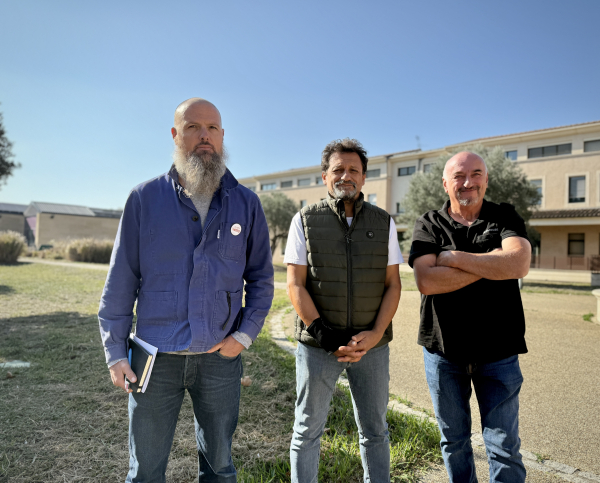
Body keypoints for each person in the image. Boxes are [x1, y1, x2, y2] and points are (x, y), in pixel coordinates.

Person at [98, 98, 274, 482]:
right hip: (154, 358)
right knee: (145, 472)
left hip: (219, 360)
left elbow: (262, 278)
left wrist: (243, 336)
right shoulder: (144, 199)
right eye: (193, 127)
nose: (204, 136)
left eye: (212, 128)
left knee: (220, 468)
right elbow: (121, 281)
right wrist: (115, 352)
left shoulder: (246, 204)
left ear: (222, 136)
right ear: (176, 135)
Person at [409, 151, 531, 482]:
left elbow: (519, 264)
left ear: (486, 180)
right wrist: (493, 262)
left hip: (499, 351)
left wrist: (452, 258)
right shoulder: (428, 223)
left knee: (504, 447)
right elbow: (427, 281)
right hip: (443, 352)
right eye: (459, 176)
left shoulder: (503, 216)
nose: (468, 182)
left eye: (476, 174)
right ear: (445, 183)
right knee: (454, 442)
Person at [285, 138, 402, 483]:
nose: (345, 176)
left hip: (372, 348)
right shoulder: (304, 220)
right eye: (338, 169)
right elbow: (295, 284)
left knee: (375, 431)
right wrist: (324, 335)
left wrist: (376, 334)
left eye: (353, 170)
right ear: (325, 176)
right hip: (318, 347)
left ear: (364, 177)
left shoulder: (384, 222)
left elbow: (394, 285)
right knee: (307, 430)